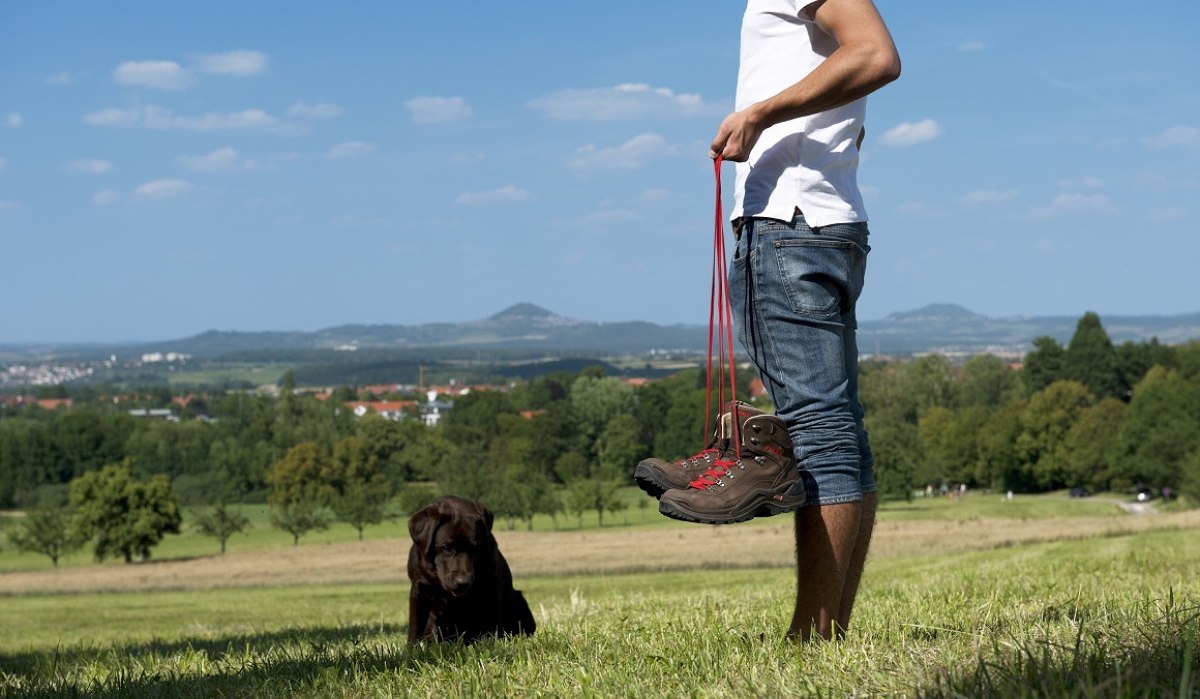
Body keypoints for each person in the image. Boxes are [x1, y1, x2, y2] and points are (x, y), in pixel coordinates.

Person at [636, 0, 899, 642]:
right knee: (839, 429)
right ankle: (829, 629)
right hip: (826, 223)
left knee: (818, 433)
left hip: (789, 225)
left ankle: (812, 638)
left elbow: (875, 54)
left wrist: (760, 112)